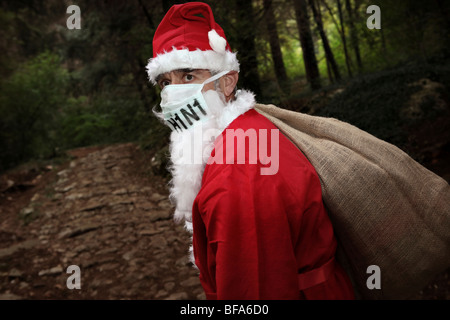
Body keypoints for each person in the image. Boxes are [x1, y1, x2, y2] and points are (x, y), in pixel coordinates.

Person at [146, 2, 355, 300]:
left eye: (188, 76)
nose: (172, 93)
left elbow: (253, 288)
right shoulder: (244, 131)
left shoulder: (239, 173)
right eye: (165, 82)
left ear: (227, 81)